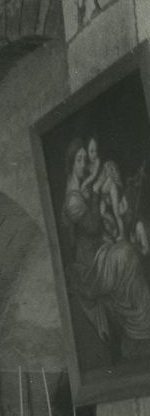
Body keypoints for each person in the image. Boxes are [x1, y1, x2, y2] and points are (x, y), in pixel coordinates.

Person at [63, 136, 150, 353]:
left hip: (101, 248)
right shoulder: (72, 199)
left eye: (86, 158)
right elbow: (92, 226)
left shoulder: (84, 186)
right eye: (80, 159)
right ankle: (141, 326)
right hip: (90, 263)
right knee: (127, 254)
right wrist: (94, 187)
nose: (84, 164)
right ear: (72, 163)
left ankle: (141, 320)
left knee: (131, 248)